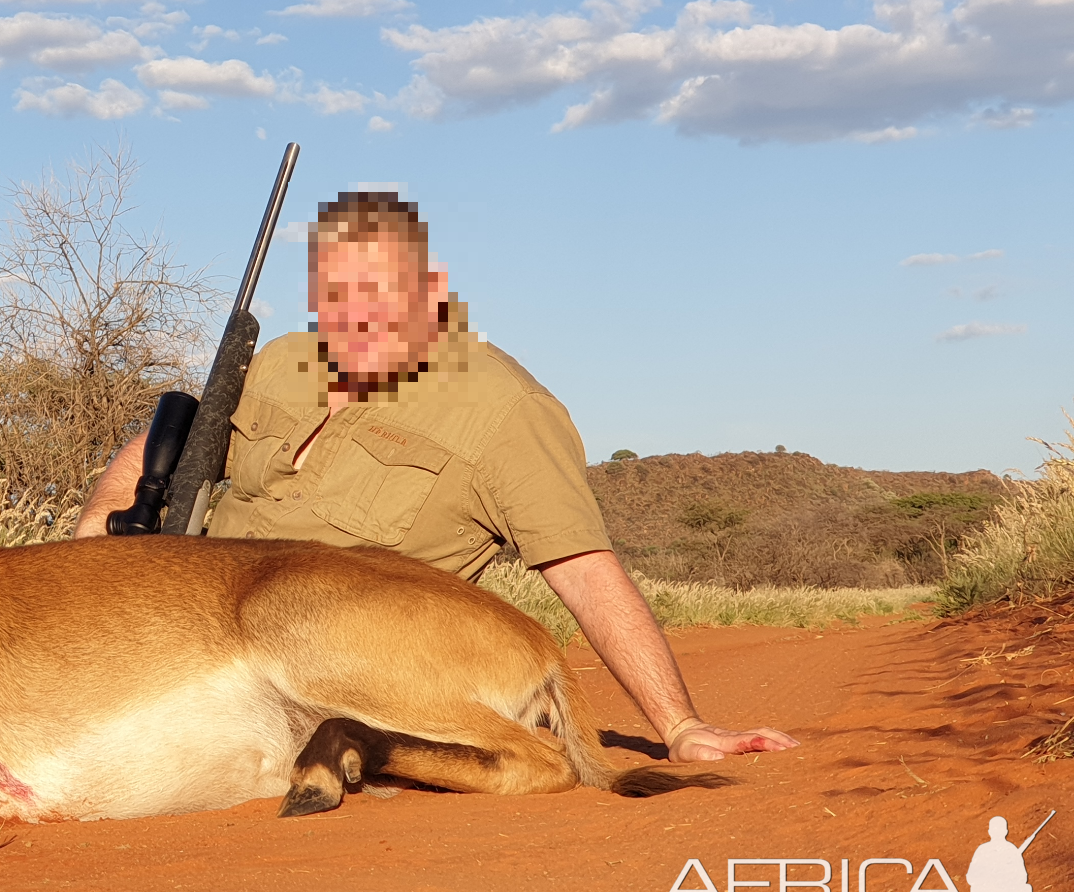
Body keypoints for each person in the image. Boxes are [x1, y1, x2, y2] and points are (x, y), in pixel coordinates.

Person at [75, 190, 796, 764]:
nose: (352, 318)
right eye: (334, 295)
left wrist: (679, 725)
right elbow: (164, 441)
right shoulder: (282, 360)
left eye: (377, 293)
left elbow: (584, 569)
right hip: (183, 622)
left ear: (432, 286)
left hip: (325, 656)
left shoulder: (507, 410)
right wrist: (95, 538)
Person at [967, 816, 1033, 892]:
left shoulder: (1012, 851)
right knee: (975, 887)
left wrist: (1007, 876)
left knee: (1026, 889)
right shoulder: (983, 850)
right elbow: (971, 877)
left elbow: (1023, 877)